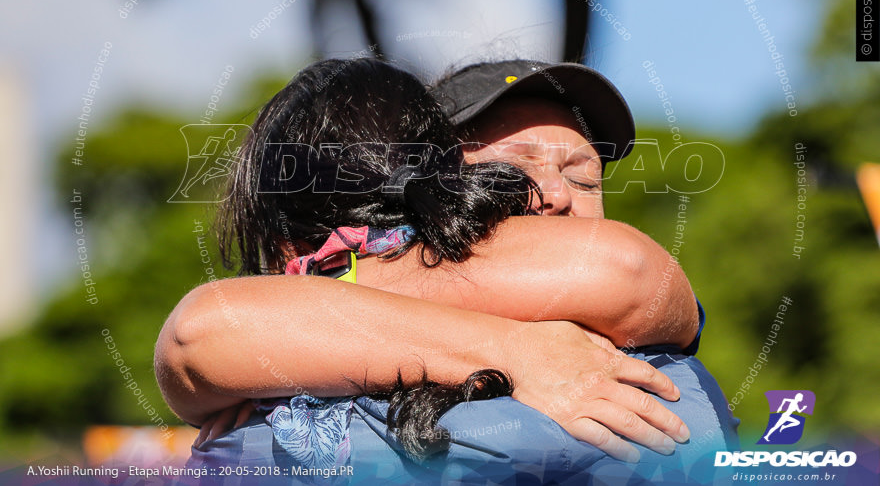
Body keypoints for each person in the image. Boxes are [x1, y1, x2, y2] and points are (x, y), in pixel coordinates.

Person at [156, 58, 736, 484]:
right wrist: (515, 347)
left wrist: (320, 286)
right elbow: (205, 334)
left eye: (585, 177)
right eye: (513, 172)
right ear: (430, 193)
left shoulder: (644, 370)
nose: (558, 194)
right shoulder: (289, 378)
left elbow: (629, 270)